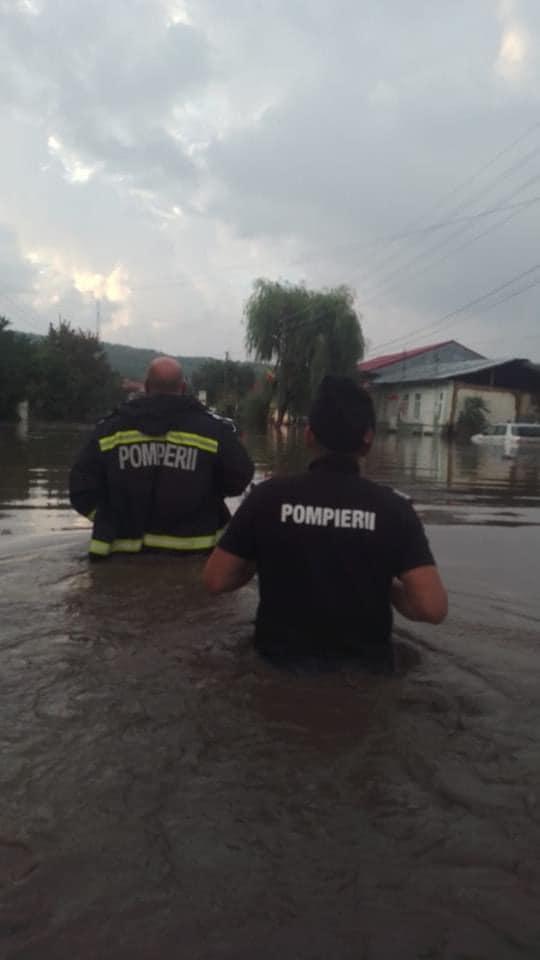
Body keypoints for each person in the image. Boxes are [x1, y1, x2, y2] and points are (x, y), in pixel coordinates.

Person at [203, 375, 447, 670]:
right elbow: (432, 609)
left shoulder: (265, 498)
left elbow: (216, 580)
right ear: (368, 437)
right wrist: (385, 585)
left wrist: (260, 560)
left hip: (276, 667)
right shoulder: (395, 509)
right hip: (365, 676)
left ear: (308, 435)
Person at [70, 356, 254, 558]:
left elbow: (80, 489)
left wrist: (108, 520)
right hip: (193, 555)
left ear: (147, 387)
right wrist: (205, 492)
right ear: (183, 387)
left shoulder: (109, 429)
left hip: (121, 556)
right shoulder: (215, 430)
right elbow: (240, 479)